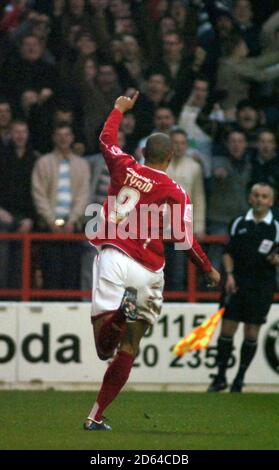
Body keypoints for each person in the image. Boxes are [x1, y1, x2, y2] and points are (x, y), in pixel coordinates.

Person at [84, 91, 220, 431]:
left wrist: (117, 109)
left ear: (142, 152)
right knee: (129, 345)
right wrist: (207, 268)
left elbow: (105, 138)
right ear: (171, 156)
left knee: (104, 347)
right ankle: (96, 414)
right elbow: (183, 240)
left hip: (116, 255)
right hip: (150, 271)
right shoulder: (176, 191)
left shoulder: (124, 165)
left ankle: (115, 316)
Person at [208, 183, 279, 393]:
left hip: (261, 287)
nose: (259, 199)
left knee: (251, 333)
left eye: (264, 196)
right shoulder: (238, 222)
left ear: (271, 201)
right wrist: (228, 276)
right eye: (256, 195)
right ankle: (220, 377)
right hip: (236, 284)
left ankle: (239, 378)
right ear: (250, 198)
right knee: (227, 330)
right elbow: (228, 252)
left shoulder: (276, 227)